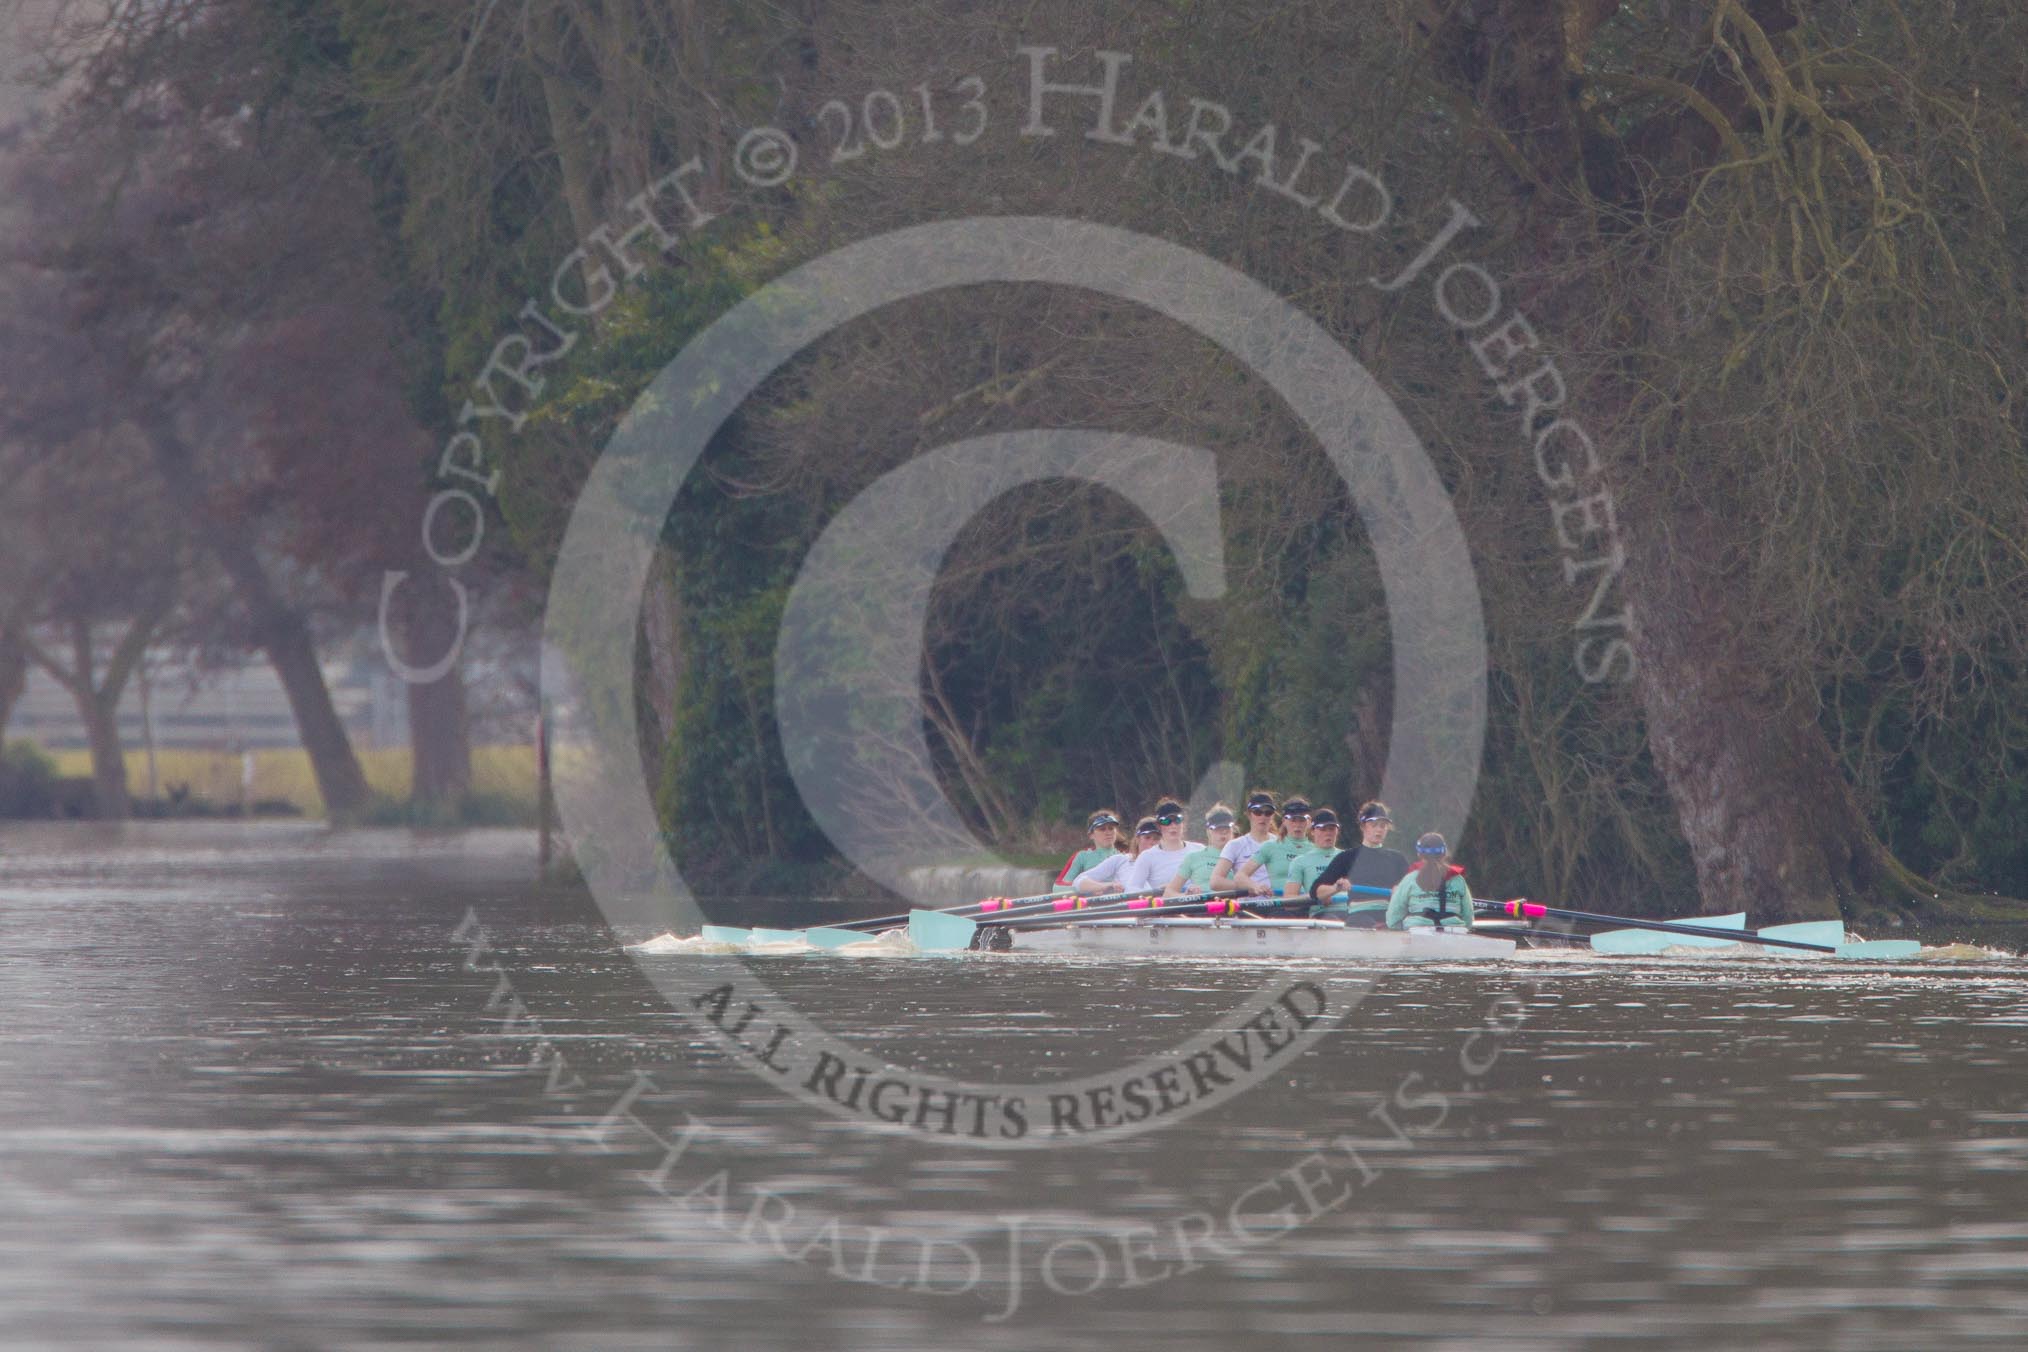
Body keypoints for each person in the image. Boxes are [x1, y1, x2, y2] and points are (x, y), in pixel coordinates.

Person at [1301, 800, 1413, 925]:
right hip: (1359, 918)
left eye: (1383, 826)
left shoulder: (1397, 859)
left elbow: (1414, 891)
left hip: (1390, 917)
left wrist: (1402, 891)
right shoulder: (1347, 858)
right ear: (1363, 826)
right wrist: (1335, 888)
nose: (1379, 830)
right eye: (1374, 825)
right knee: (1365, 922)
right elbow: (1316, 891)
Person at [1384, 832, 1475, 931]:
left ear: (1419, 853)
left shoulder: (1410, 879)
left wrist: (1403, 929)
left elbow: (1393, 919)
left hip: (1417, 932)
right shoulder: (1458, 880)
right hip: (1454, 933)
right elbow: (1468, 916)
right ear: (1444, 853)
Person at [1234, 795, 1313, 896]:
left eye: (1302, 820)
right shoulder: (1270, 846)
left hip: (1310, 906)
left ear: (1309, 822)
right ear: (1284, 821)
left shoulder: (1315, 850)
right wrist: (1255, 886)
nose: (1297, 825)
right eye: (1293, 820)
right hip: (1279, 906)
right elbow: (1240, 876)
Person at [1121, 798, 1204, 893]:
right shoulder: (1147, 857)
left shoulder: (1200, 850)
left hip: (1198, 903)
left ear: (1183, 823)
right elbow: (1132, 888)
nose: (1173, 825)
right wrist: (1156, 891)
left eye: (1177, 820)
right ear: (1159, 826)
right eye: (1166, 821)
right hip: (1165, 905)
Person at [1210, 790, 1278, 892]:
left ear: (1273, 815)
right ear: (1249, 814)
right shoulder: (1236, 845)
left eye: (1268, 813)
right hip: (1248, 905)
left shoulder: (1281, 843)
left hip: (1279, 903)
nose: (1262, 817)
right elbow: (1216, 882)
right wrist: (1250, 887)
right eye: (1257, 812)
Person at [1166, 804, 1238, 896]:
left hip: (1233, 907)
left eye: (1227, 828)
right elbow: (1169, 892)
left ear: (1232, 830)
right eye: (1217, 828)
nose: (1223, 832)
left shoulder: (1242, 856)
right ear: (1208, 831)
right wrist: (1186, 896)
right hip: (1201, 906)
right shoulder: (1193, 858)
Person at [1073, 816, 1156, 895]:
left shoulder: (1167, 864)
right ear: (1137, 839)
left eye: (1157, 838)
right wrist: (1107, 885)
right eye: (1147, 838)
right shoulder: (1121, 860)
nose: (1152, 843)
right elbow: (1079, 881)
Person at [1053, 809, 1124, 894]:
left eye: (1111, 828)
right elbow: (1058, 887)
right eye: (1102, 829)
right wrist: (1090, 889)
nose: (1108, 832)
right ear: (1091, 835)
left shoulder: (1125, 856)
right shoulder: (1082, 857)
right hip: (1090, 904)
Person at [1282, 807, 1344, 902]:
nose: (1328, 833)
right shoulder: (1300, 862)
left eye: (1331, 829)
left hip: (1349, 912)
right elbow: (1289, 902)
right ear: (1312, 831)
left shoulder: (1348, 857)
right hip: (1321, 913)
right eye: (1323, 829)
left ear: (1337, 831)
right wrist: (1319, 896)